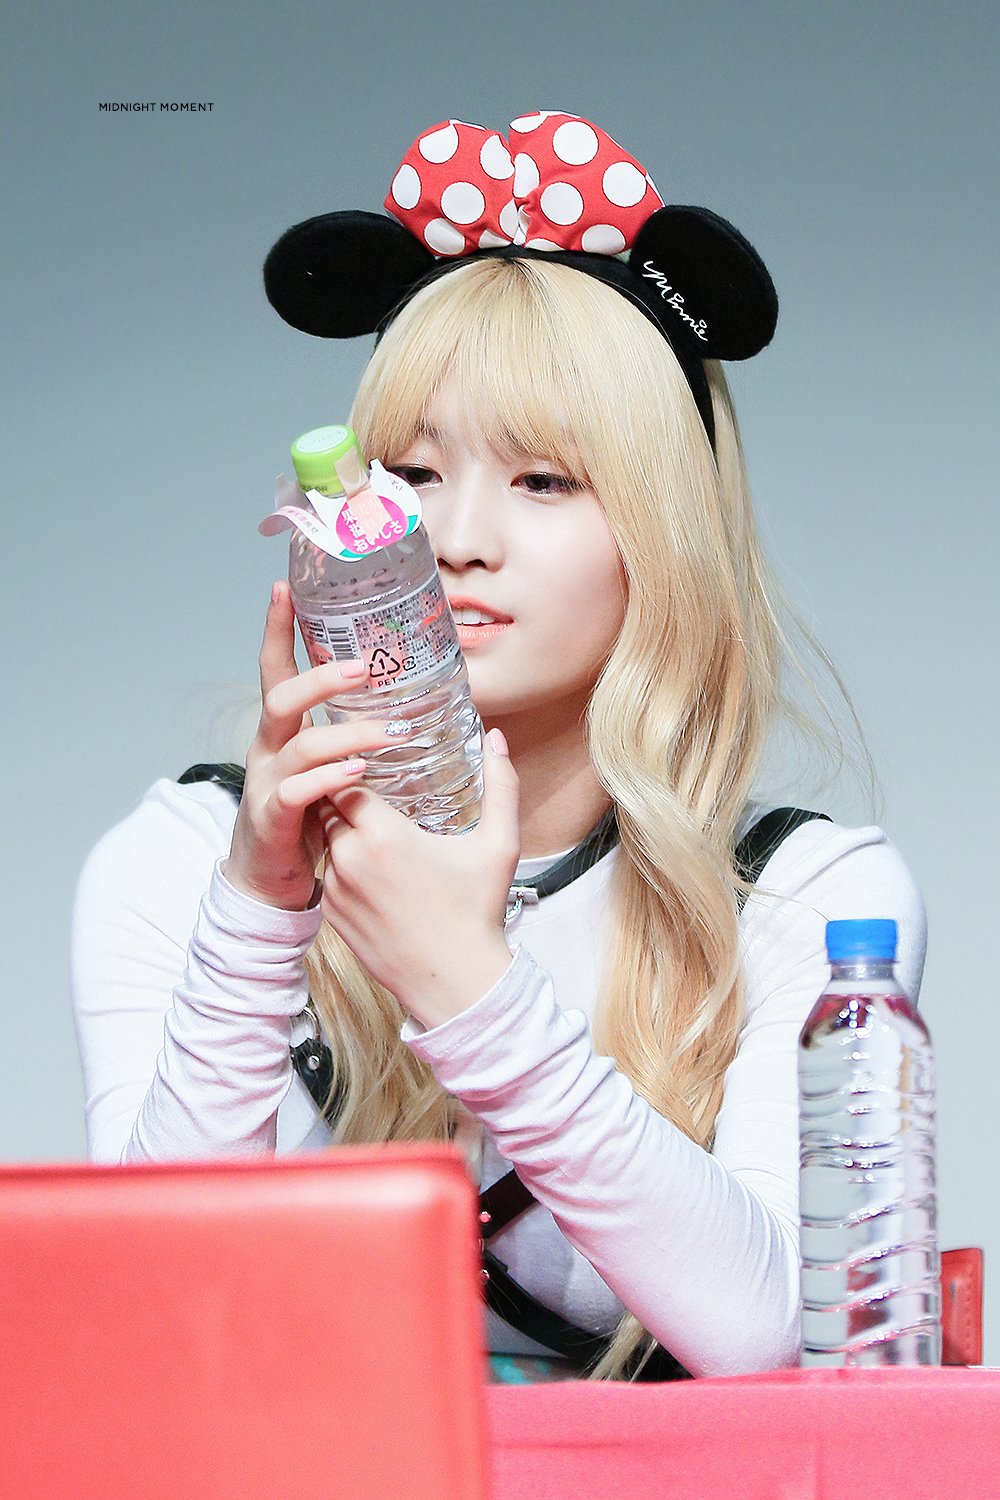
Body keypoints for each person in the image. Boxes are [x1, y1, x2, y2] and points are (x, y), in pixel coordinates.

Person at [72, 113, 926, 1383]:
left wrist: (467, 985)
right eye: (411, 474)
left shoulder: (803, 898)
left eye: (544, 481)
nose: (457, 537)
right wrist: (259, 913)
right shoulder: (183, 859)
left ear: (665, 531)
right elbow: (146, 1319)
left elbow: (759, 1336)